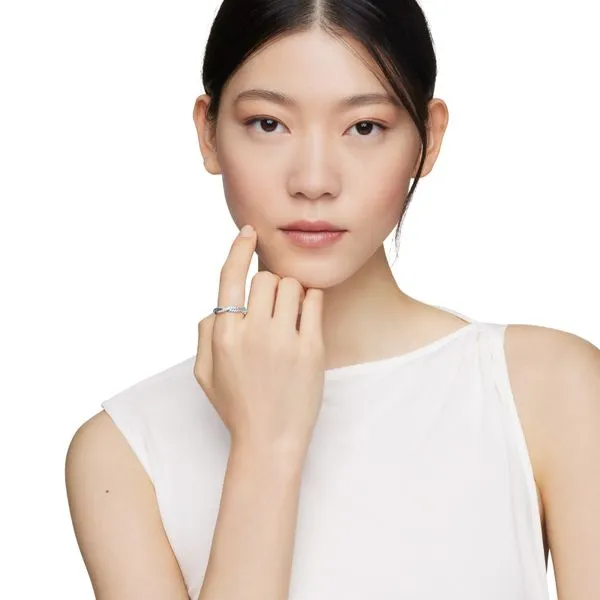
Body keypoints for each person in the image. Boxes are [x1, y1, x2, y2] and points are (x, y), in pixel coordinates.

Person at [64, 1, 600, 599]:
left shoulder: (548, 389)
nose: (314, 181)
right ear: (208, 134)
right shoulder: (123, 452)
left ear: (428, 139)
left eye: (364, 127)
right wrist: (265, 449)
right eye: (268, 124)